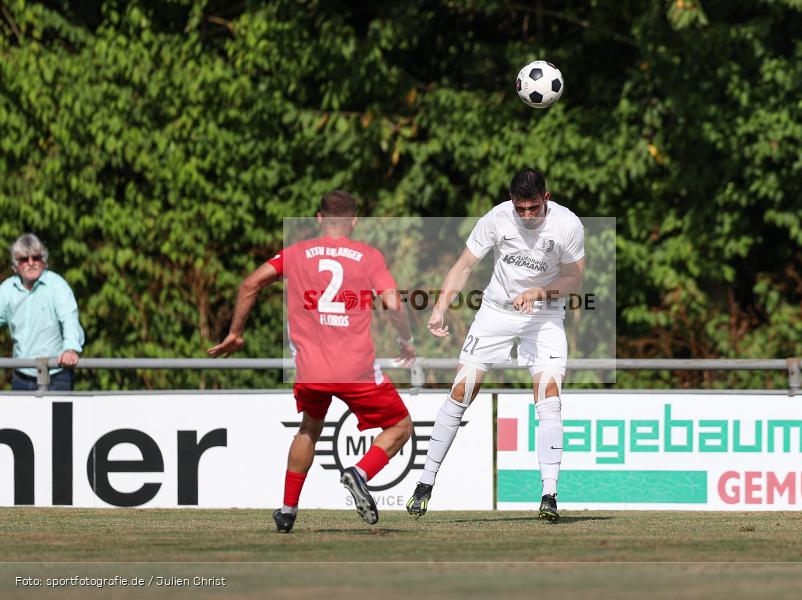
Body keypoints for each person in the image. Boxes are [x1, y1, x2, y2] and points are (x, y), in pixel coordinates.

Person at [208, 190, 416, 532]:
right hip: (356, 369)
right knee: (400, 426)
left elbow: (249, 284)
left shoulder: (296, 254)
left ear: (319, 218)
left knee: (309, 428)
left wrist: (235, 333)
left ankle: (287, 511)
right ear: (353, 221)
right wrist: (405, 341)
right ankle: (360, 472)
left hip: (311, 369)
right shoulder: (368, 256)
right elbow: (394, 303)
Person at [406, 168, 584, 522]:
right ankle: (424, 485)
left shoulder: (567, 224)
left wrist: (540, 293)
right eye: (521, 209)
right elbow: (464, 265)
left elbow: (575, 279)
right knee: (462, 389)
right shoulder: (497, 218)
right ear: (511, 201)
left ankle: (549, 493)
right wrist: (441, 308)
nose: (527, 216)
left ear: (546, 199)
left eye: (534, 208)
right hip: (495, 312)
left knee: (548, 395)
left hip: (544, 315)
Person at [0, 234, 84, 391]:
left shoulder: (57, 285)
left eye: (36, 257)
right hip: (21, 375)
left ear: (43, 261)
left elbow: (69, 319)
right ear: (15, 265)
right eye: (24, 259)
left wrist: (70, 349)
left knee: (58, 417)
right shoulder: (6, 289)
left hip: (56, 375)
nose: (31, 263)